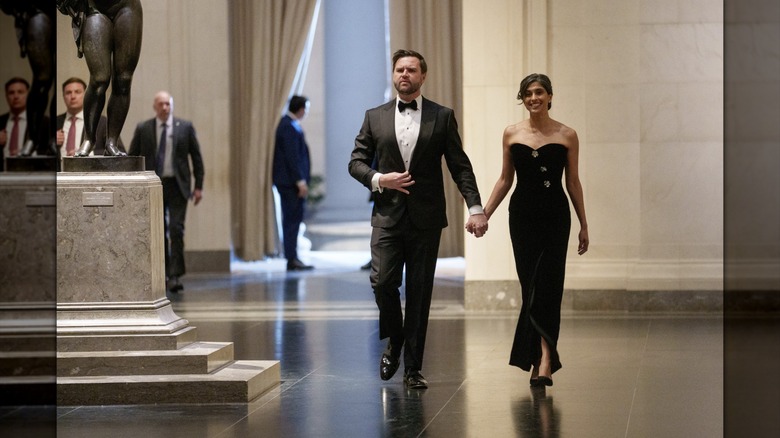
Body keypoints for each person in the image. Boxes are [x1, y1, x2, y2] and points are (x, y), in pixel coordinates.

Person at [348, 49, 488, 389]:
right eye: (399, 69)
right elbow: (356, 162)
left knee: (420, 292)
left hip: (426, 218)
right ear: (393, 75)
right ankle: (394, 340)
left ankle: (412, 369)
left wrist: (475, 207)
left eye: (411, 70)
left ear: (422, 76)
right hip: (386, 215)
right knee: (382, 284)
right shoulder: (375, 116)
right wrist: (381, 179)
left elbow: (459, 165)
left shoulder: (441, 116)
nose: (405, 75)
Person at [480, 73, 589, 387]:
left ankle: (543, 360)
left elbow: (572, 182)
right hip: (523, 217)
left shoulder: (568, 134)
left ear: (550, 96)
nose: (534, 98)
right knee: (531, 287)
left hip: (556, 217)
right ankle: (541, 356)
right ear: (523, 99)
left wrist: (584, 223)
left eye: (539, 92)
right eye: (528, 93)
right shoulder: (511, 133)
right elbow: (505, 179)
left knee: (550, 287)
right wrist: (484, 213)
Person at [129, 91, 205, 293]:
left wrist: (199, 186)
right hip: (154, 185)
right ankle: (160, 274)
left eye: (168, 104)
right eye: (161, 104)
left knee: (176, 229)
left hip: (178, 185)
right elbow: (133, 156)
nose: (165, 108)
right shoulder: (144, 128)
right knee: (157, 231)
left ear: (172, 106)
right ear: (155, 107)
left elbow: (196, 158)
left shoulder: (185, 128)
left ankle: (175, 275)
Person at [57, 0, 142, 157]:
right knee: (99, 79)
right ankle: (89, 139)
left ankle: (112, 142)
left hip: (127, 6)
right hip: (93, 8)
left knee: (123, 80)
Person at [1, 0, 56, 157]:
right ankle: (32, 138)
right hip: (37, 10)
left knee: (56, 85)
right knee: (42, 79)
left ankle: (52, 139)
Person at [272, 95, 314, 272]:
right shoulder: (287, 126)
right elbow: (292, 157)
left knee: (294, 220)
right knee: (291, 220)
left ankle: (293, 256)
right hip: (291, 184)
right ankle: (291, 258)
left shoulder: (290, 125)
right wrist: (300, 181)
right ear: (301, 108)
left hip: (291, 183)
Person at [56, 77, 124, 157]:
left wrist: (88, 153)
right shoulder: (56, 121)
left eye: (77, 92)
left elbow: (120, 151)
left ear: (86, 95)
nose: (73, 96)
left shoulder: (101, 122)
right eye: (68, 93)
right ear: (63, 96)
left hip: (88, 167)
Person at [1, 77, 50, 168]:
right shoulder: (0, 122)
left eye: (20, 92)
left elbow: (47, 152)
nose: (16, 96)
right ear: (6, 95)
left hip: (32, 173)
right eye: (11, 93)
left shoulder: (43, 122)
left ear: (28, 94)